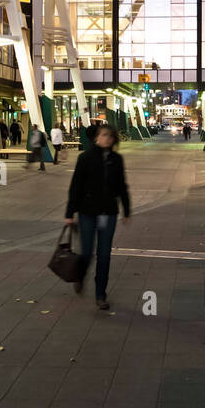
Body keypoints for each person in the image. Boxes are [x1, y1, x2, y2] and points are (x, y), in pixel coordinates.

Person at [64, 124, 131, 310]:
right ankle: (80, 275)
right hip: (87, 212)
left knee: (104, 255)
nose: (107, 138)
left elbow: (122, 186)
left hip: (108, 213)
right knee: (87, 253)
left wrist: (127, 210)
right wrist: (70, 213)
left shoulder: (117, 160)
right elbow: (75, 186)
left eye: (110, 136)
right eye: (103, 135)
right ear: (96, 138)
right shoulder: (84, 158)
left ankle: (100, 294)